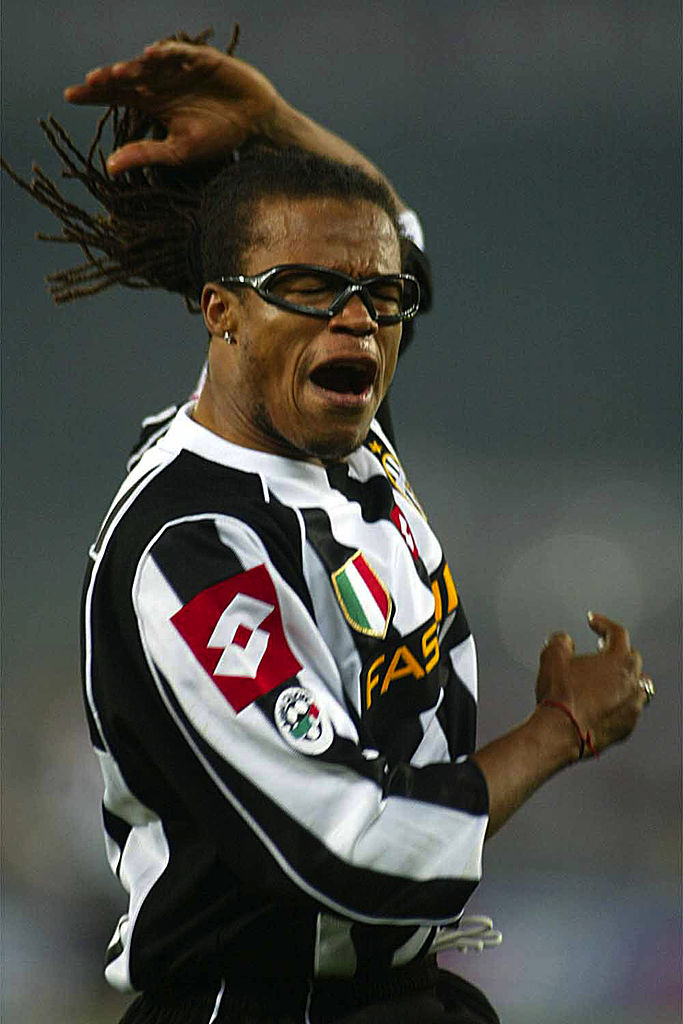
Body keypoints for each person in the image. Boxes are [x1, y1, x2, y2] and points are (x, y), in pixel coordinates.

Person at [8, 33, 654, 1024]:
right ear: (220, 312)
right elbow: (351, 844)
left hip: (388, 996)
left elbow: (387, 233)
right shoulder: (193, 551)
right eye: (305, 291)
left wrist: (273, 125)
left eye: (379, 302)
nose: (354, 323)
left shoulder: (340, 431)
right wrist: (559, 730)